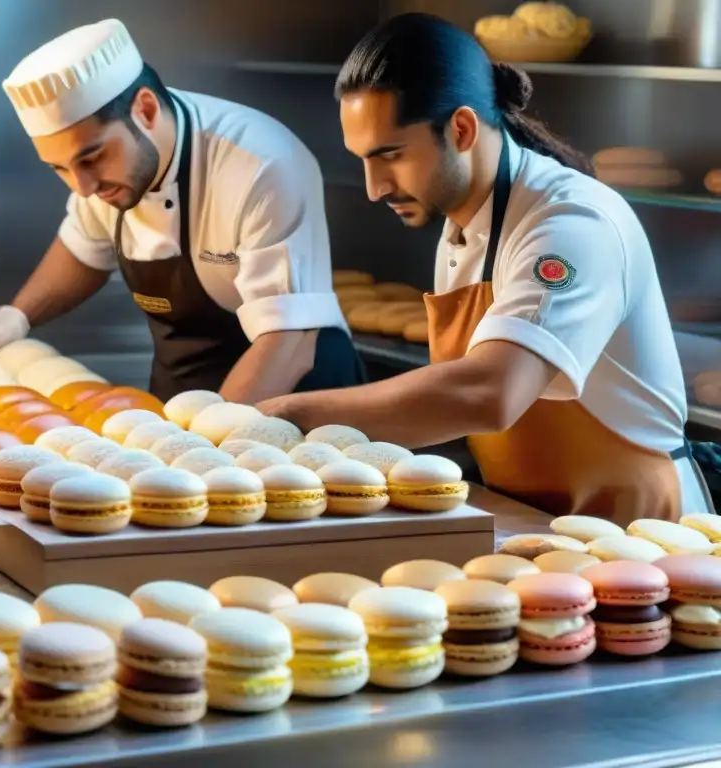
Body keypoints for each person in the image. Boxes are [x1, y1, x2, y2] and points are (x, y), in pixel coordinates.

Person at [258, 13, 716, 522]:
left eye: (390, 155)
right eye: (363, 160)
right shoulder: (463, 224)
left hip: (635, 531)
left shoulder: (571, 223)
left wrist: (294, 414)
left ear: (461, 128)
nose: (374, 187)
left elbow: (491, 391)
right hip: (537, 521)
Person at [0, 18, 365, 402]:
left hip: (294, 398)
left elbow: (288, 341)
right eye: (60, 168)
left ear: (147, 110)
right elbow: (84, 248)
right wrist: (15, 319)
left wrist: (203, 448)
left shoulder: (261, 165)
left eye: (92, 158)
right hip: (185, 396)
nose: (82, 188)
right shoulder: (105, 180)